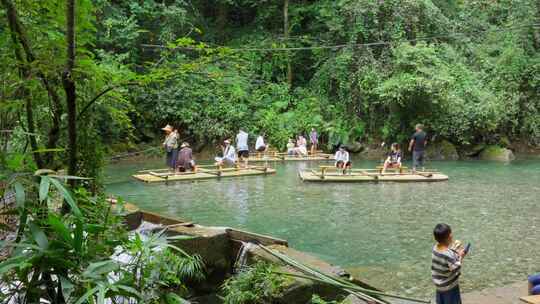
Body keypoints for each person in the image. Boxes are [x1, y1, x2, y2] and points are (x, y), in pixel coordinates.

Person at [432, 223, 467, 304]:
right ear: (450, 236)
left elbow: (445, 258)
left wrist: (454, 249)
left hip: (439, 286)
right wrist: (461, 256)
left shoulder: (435, 248)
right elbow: (456, 267)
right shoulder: (448, 254)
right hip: (449, 287)